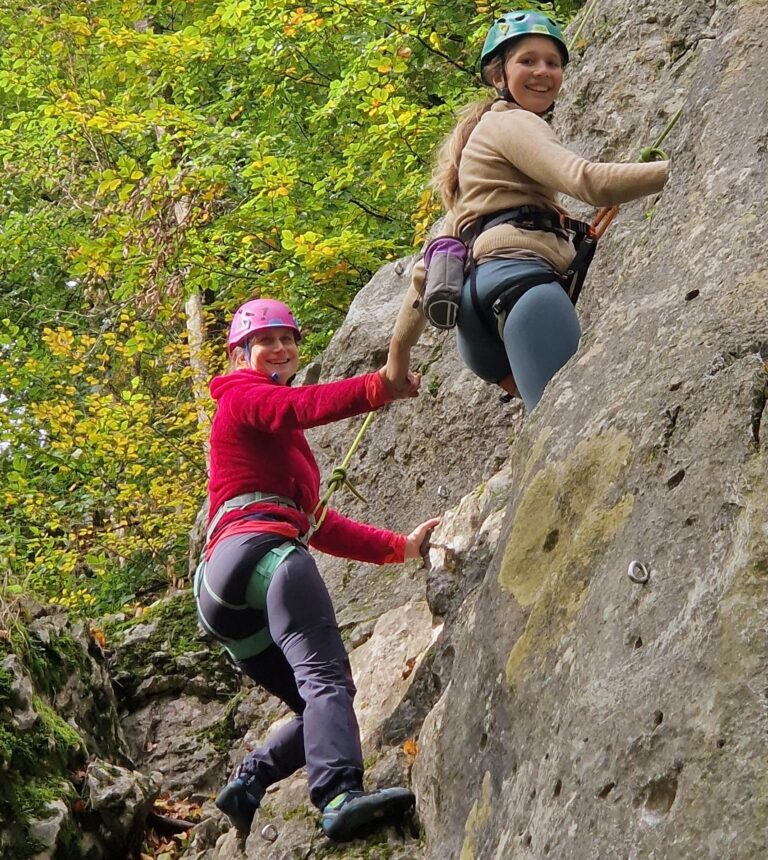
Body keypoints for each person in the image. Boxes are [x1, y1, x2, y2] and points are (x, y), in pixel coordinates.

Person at [194, 297, 440, 842]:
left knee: (317, 707)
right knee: (328, 680)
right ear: (240, 356)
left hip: (223, 594)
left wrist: (400, 547)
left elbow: (319, 523)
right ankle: (338, 796)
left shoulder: (275, 443)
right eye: (265, 342)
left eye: (287, 339)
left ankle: (248, 782)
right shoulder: (242, 398)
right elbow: (297, 407)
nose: (280, 349)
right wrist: (379, 386)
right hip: (258, 554)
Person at [386, 10, 670, 411]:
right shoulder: (513, 122)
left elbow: (429, 267)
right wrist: (680, 167)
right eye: (528, 60)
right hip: (524, 292)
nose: (543, 71)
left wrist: (397, 354)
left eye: (552, 63)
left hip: (476, 323)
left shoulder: (477, 157)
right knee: (568, 432)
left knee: (550, 427)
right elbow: (587, 181)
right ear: (498, 76)